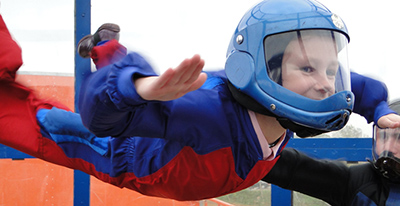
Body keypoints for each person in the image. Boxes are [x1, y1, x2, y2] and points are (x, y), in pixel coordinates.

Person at [1, 0, 400, 201]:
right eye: (310, 69)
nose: (327, 85)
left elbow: (360, 88)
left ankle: (107, 49)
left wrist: (380, 111)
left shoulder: (298, 99)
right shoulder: (206, 113)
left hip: (211, 163)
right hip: (126, 156)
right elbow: (99, 117)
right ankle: (107, 53)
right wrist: (141, 91)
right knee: (35, 124)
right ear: (263, 71)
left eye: (332, 70)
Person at [262, 100, 400, 206]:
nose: (388, 147)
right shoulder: (359, 182)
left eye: (399, 138)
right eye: (383, 136)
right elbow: (293, 168)